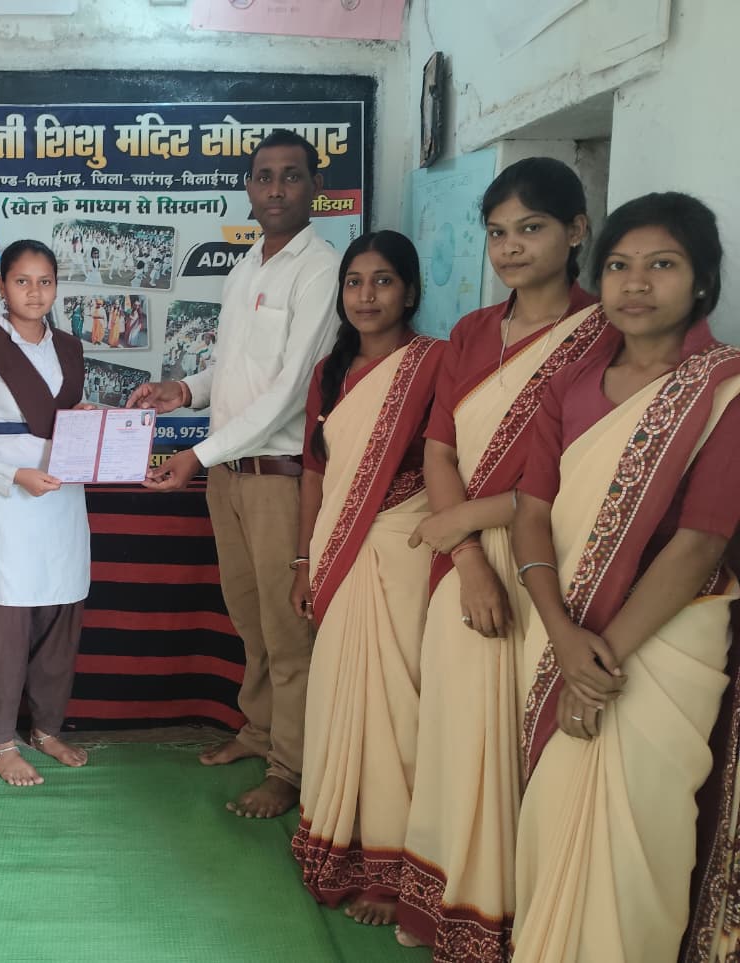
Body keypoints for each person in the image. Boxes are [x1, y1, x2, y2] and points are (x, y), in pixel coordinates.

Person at [510, 192, 740, 961]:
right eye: (618, 266)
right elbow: (532, 515)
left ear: (702, 281)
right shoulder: (569, 385)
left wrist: (596, 664)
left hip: (662, 644)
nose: (636, 284)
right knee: (552, 816)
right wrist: (563, 638)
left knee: (636, 841)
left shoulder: (726, 389)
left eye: (661, 265)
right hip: (560, 634)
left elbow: (699, 545)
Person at [395, 157, 615, 958]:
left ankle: (512, 917)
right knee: (456, 734)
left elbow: (578, 474)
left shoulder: (605, 333)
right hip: (468, 565)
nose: (511, 247)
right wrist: (467, 557)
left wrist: (464, 524)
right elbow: (440, 448)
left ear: (576, 230)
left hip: (548, 557)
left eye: (531, 228)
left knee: (528, 745)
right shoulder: (472, 332)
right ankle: (446, 902)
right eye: (497, 232)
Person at [127, 130, 341, 819]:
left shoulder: (321, 269)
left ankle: (291, 768)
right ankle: (260, 731)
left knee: (288, 630)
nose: (275, 189)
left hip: (279, 477)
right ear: (248, 187)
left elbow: (290, 390)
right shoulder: (246, 265)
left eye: (291, 176)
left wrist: (198, 454)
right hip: (229, 474)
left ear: (315, 187)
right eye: (263, 176)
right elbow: (233, 367)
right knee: (250, 618)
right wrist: (183, 391)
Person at [289, 231, 444, 927]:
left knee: (397, 708)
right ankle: (338, 841)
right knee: (337, 698)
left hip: (402, 549)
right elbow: (315, 472)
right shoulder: (331, 371)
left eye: (383, 281)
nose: (367, 295)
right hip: (336, 552)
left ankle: (393, 866)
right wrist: (303, 560)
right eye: (354, 281)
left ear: (410, 291)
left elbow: (450, 459)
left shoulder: (434, 363)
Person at [0, 239, 90, 787]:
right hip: (8, 499)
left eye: (45, 281)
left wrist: (88, 421)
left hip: (64, 497)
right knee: (7, 623)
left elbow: (65, 420)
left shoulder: (70, 348)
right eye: (22, 281)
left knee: (59, 612)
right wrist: (14, 475)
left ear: (56, 287)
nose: (34, 292)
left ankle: (46, 729)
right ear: (1, 286)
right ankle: (1, 740)